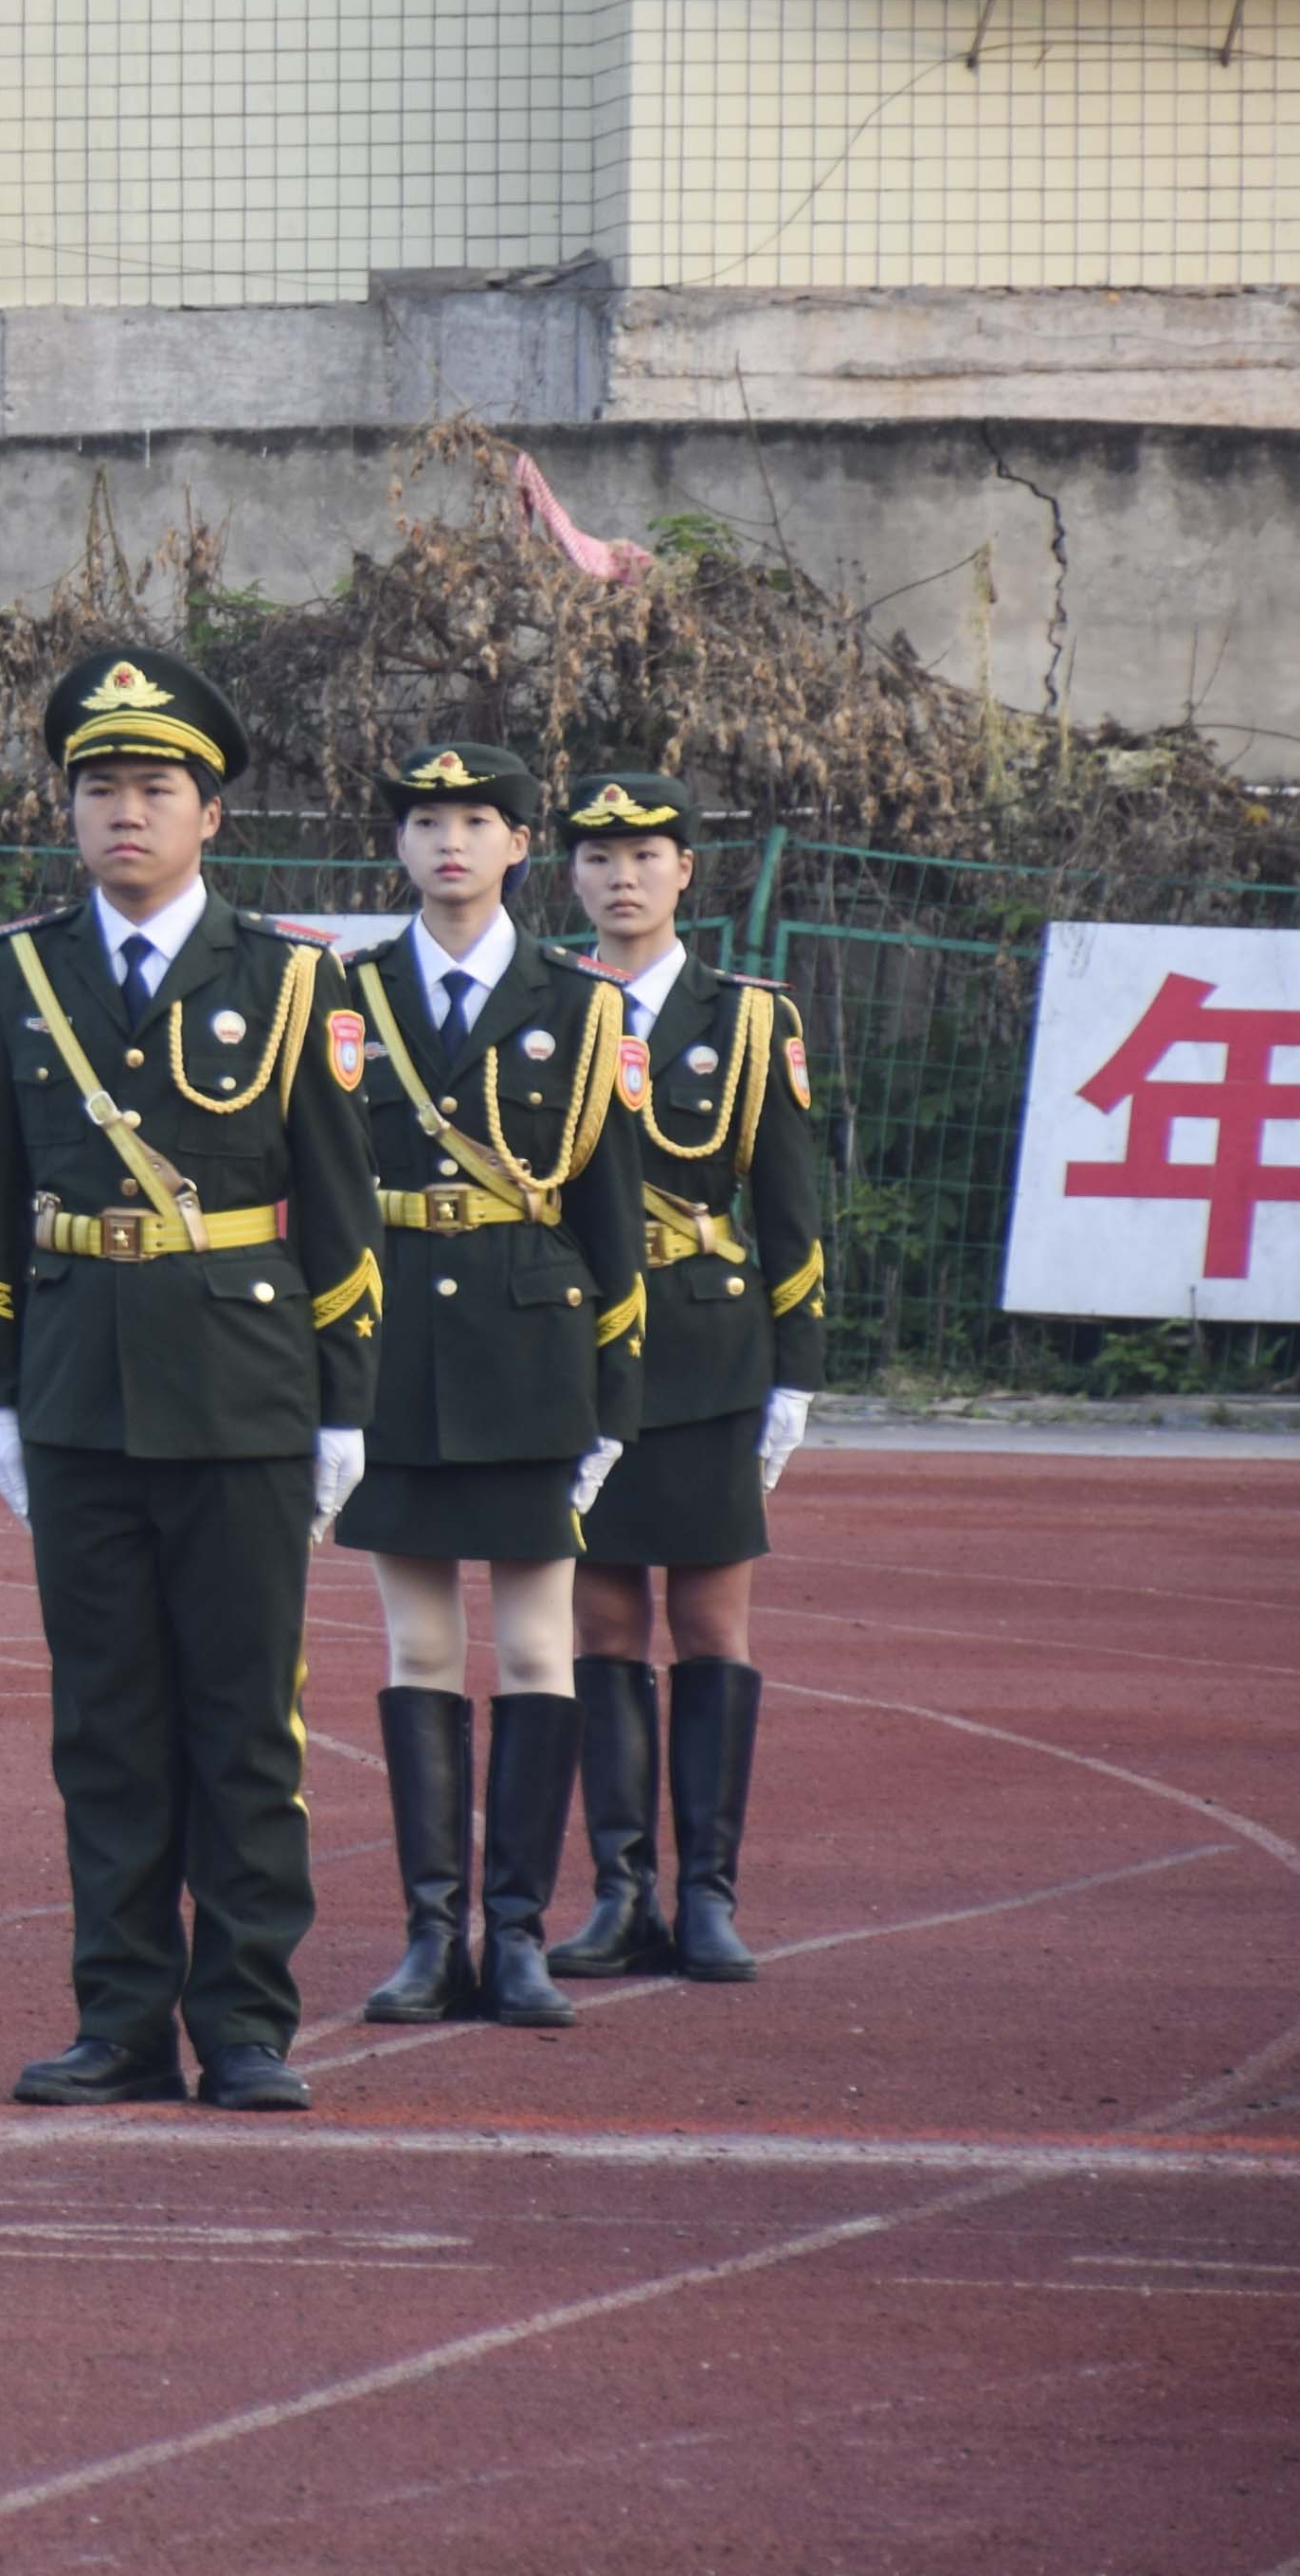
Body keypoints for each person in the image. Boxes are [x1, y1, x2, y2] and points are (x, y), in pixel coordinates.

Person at [0, 646, 378, 2118]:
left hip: (243, 1391)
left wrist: (340, 1405)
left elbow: (337, 1209)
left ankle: (247, 2019)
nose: (120, 814)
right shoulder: (16, 973)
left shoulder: (290, 979)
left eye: (151, 789)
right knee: (105, 1723)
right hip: (77, 1389)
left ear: (208, 812)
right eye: (95, 789)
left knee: (241, 1718)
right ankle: (119, 2016)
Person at [334, 742, 646, 2031]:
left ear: (522, 844)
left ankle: (511, 1934)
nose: (445, 842)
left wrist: (611, 1409)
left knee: (530, 1647)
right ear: (395, 846)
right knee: (415, 1646)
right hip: (389, 1344)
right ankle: (428, 1937)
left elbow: (611, 1228)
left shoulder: (582, 1011)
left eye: (473, 821)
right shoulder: (336, 997)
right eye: (421, 821)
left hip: (529, 1354)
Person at [551, 767, 824, 1986]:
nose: (622, 877)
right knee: (602, 1624)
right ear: (569, 874)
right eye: (599, 858)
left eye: (645, 856)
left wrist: (797, 1376)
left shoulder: (752, 1018)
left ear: (685, 874)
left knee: (711, 1624)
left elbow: (791, 1210)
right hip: (579, 1355)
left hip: (711, 1351)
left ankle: (709, 1894)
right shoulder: (544, 1004)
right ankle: (620, 1891)